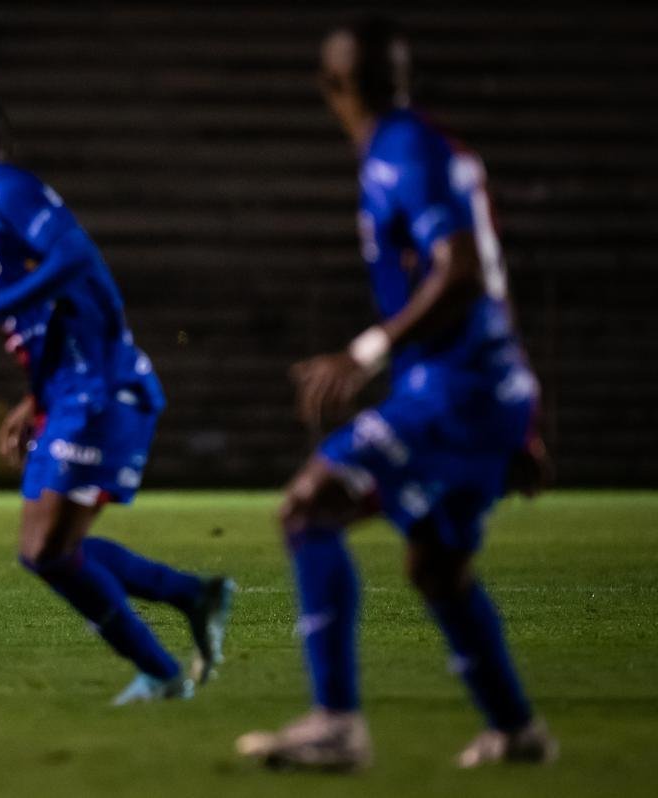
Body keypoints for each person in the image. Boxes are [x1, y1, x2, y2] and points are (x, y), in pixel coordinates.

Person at [235, 17, 557, 770]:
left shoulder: (400, 151)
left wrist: (366, 351)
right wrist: (522, 423)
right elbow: (488, 287)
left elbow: (465, 271)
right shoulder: (426, 146)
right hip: (486, 388)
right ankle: (515, 732)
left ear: (333, 87)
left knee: (311, 504)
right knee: (436, 566)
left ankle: (337, 725)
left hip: (455, 390)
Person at [0, 98, 234, 705]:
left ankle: (164, 666)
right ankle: (188, 604)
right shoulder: (2, 199)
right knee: (47, 551)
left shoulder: (2, 191)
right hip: (74, 388)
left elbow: (76, 258)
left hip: (101, 391)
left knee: (46, 550)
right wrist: (36, 397)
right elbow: (62, 308)